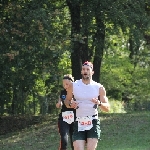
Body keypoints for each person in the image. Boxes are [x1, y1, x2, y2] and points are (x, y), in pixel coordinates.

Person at [64, 61, 110, 150]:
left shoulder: (99, 87)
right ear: (81, 72)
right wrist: (70, 104)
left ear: (92, 72)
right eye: (84, 69)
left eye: (88, 69)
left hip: (93, 121)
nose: (85, 71)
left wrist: (99, 103)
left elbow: (107, 108)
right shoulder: (73, 85)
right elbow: (66, 101)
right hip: (79, 121)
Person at [56, 74, 76, 150]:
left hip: (75, 119)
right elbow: (58, 103)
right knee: (64, 140)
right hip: (63, 119)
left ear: (72, 83)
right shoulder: (62, 92)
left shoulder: (77, 92)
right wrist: (59, 104)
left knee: (74, 142)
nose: (65, 86)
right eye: (64, 84)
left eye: (67, 84)